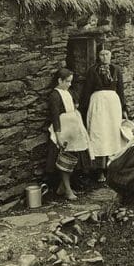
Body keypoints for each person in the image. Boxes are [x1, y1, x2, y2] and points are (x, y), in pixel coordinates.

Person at [81, 49, 127, 183]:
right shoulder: (92, 70)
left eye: (107, 54)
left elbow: (121, 90)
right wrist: (83, 108)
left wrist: (124, 107)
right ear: (98, 56)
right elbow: (87, 89)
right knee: (99, 133)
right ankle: (99, 170)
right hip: (98, 103)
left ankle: (113, 167)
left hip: (113, 104)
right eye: (102, 54)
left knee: (112, 133)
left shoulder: (116, 69)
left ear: (111, 55)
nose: (104, 56)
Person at [45, 68, 90, 200]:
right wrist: (58, 135)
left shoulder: (68, 92)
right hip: (63, 129)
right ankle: (68, 190)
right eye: (68, 81)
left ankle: (61, 187)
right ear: (60, 80)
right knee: (65, 159)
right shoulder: (55, 95)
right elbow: (55, 116)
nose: (70, 84)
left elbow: (75, 105)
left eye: (71, 81)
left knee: (73, 159)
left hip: (73, 129)